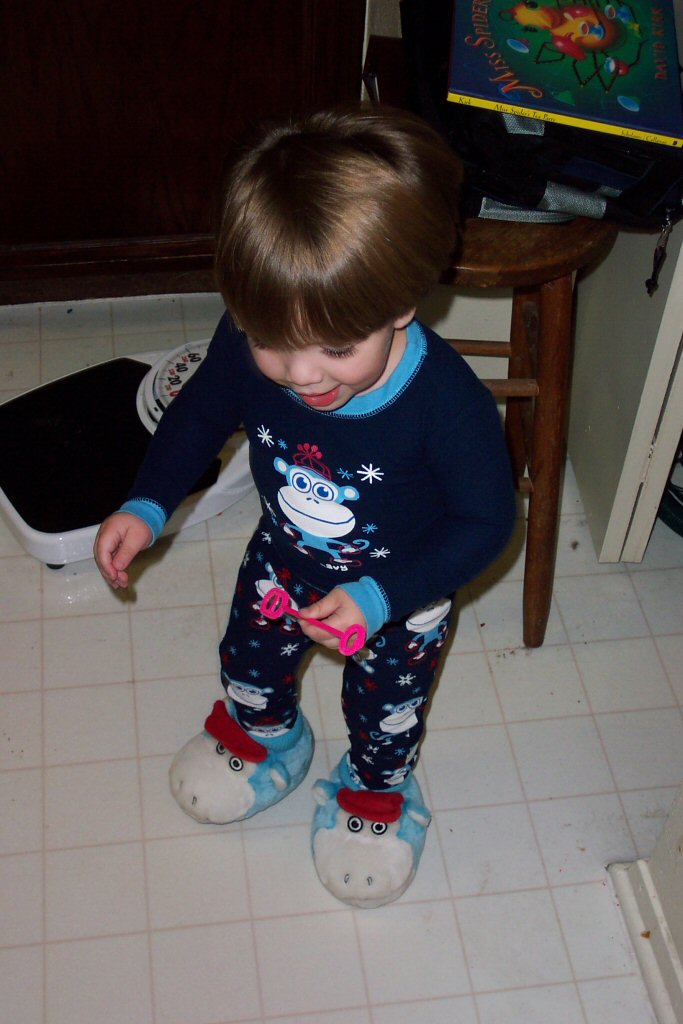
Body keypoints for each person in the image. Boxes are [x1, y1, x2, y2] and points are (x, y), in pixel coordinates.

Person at [94, 106, 516, 908]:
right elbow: (199, 414)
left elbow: (487, 523)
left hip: (402, 592)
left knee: (385, 711)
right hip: (284, 555)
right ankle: (266, 737)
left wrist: (381, 597)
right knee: (247, 659)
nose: (301, 374)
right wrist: (148, 503)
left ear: (402, 304)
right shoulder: (255, 330)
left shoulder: (447, 404)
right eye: (270, 341)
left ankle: (374, 790)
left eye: (336, 348)